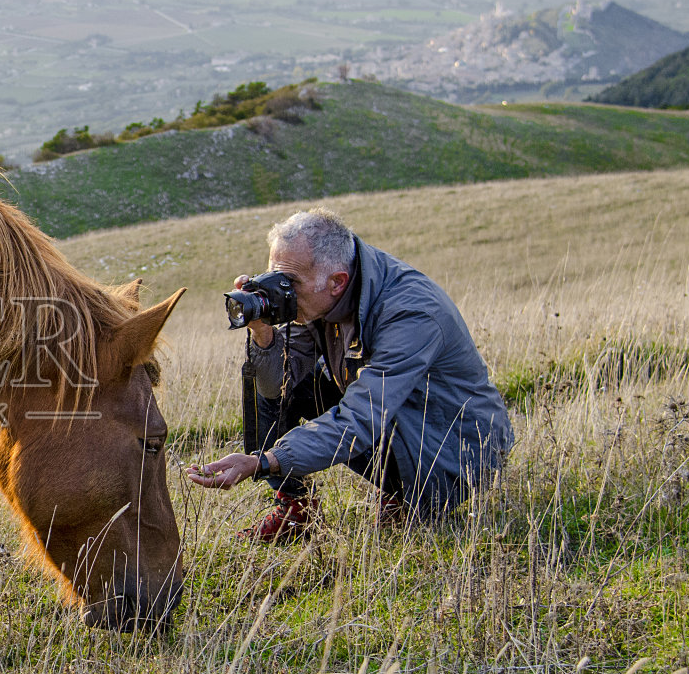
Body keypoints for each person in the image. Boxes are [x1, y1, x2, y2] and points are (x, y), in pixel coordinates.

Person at [185, 208, 513, 538]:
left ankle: (412, 495)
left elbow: (361, 419)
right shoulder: (317, 293)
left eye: (290, 283)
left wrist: (265, 461)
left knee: (349, 413)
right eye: (275, 277)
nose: (281, 291)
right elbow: (277, 388)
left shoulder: (410, 312)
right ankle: (294, 510)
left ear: (337, 282)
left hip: (456, 454)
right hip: (401, 425)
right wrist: (262, 334)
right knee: (275, 372)